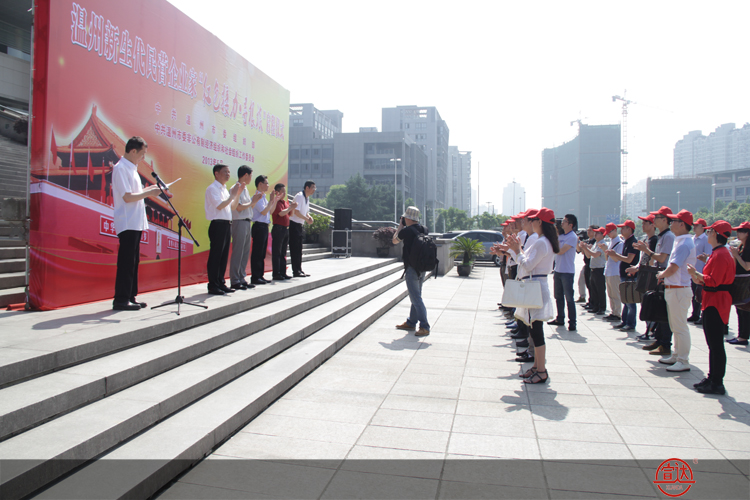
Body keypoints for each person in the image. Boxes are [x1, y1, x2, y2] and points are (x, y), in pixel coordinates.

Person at [499, 207, 559, 384]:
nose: (529, 222)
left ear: (540, 222)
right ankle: (536, 367)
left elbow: (528, 265)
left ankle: (541, 370)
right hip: (536, 286)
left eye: (532, 220)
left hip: (536, 287)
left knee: (537, 331)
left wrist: (517, 251)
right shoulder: (543, 241)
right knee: (534, 329)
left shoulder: (542, 242)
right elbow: (525, 261)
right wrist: (515, 250)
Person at [111, 136, 162, 310]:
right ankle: (121, 299)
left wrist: (148, 190)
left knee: (133, 262)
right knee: (126, 262)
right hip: (127, 221)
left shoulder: (132, 168)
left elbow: (135, 193)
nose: (143, 158)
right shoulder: (121, 168)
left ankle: (131, 296)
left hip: (136, 221)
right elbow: (127, 197)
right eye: (142, 153)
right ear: (133, 151)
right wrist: (148, 193)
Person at [687, 220, 734, 395]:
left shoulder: (721, 254)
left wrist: (695, 274)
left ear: (715, 234)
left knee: (715, 344)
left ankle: (717, 382)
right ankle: (712, 377)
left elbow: (714, 281)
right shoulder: (718, 253)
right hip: (712, 301)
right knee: (712, 344)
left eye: (709, 231)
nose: (707, 234)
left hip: (717, 302)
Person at [656, 209, 697, 372]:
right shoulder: (681, 241)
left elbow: (672, 268)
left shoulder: (684, 243)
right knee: (675, 325)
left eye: (674, 221)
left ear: (682, 224)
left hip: (679, 289)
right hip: (675, 289)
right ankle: (677, 355)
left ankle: (683, 359)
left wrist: (661, 274)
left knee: (680, 326)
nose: (671, 223)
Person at [635, 206, 675, 356]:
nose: (654, 220)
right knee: (658, 309)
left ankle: (665, 344)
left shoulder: (668, 237)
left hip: (665, 277)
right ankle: (659, 340)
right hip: (659, 276)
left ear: (665, 220)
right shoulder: (662, 236)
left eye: (656, 218)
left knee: (663, 312)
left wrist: (647, 251)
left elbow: (662, 258)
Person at [205, 164, 246, 295]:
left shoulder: (224, 189)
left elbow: (232, 207)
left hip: (227, 224)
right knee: (216, 256)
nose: (228, 174)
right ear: (216, 173)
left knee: (223, 256)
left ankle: (221, 282)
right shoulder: (212, 189)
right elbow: (220, 206)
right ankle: (213, 285)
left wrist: (237, 195)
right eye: (225, 172)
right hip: (217, 225)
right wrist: (231, 196)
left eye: (229, 172)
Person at [393, 206, 430, 336]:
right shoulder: (424, 229)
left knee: (416, 298)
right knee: (417, 295)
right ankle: (411, 322)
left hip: (412, 268)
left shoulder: (406, 231)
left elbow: (394, 241)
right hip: (422, 267)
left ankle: (425, 326)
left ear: (407, 218)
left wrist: (400, 226)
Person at [229, 165, 263, 290]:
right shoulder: (235, 188)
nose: (250, 178)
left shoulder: (246, 189)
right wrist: (252, 201)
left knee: (245, 252)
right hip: (239, 221)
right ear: (246, 175)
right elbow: (238, 207)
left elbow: (248, 206)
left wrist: (253, 202)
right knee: (238, 251)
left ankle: (242, 277)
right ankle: (234, 279)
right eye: (250, 175)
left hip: (247, 221)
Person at [628, 214, 658, 341]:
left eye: (646, 222)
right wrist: (637, 267)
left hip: (652, 277)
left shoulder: (655, 240)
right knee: (645, 304)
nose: (643, 225)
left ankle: (652, 332)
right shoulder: (646, 240)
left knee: (651, 305)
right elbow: (644, 260)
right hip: (644, 275)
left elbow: (654, 259)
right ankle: (648, 330)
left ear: (653, 225)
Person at [606, 220, 640, 332]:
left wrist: (616, 255)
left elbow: (630, 259)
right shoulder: (626, 241)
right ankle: (625, 322)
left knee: (630, 301)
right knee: (625, 300)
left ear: (630, 229)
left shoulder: (632, 242)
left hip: (630, 275)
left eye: (624, 228)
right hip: (624, 275)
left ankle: (630, 324)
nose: (621, 230)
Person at [549, 214, 579, 331]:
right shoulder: (561, 235)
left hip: (567, 272)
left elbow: (560, 251)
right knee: (558, 296)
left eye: (565, 221)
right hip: (558, 270)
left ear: (570, 225)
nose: (562, 223)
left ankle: (572, 322)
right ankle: (560, 318)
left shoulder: (572, 237)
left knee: (569, 298)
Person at [250, 175, 281, 285]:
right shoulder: (257, 196)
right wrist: (270, 201)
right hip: (258, 226)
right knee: (257, 253)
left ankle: (260, 275)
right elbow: (263, 212)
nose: (268, 185)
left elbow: (270, 211)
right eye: (266, 183)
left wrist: (274, 201)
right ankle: (255, 276)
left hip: (264, 226)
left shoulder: (263, 197)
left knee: (262, 253)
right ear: (260, 184)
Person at [728, 221, 750, 346]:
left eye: (741, 231)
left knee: (745, 309)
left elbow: (747, 267)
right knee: (740, 309)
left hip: (745, 281)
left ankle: (743, 336)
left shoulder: (748, 248)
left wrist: (736, 255)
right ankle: (741, 335)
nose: (738, 233)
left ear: (747, 233)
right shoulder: (742, 246)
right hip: (740, 280)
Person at [271, 183, 298, 280]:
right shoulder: (276, 202)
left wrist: (292, 207)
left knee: (283, 253)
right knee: (277, 252)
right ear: (277, 192)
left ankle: (283, 272)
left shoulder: (285, 202)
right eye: (283, 192)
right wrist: (290, 208)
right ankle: (276, 273)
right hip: (278, 228)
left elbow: (290, 214)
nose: (284, 194)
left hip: (285, 228)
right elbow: (281, 213)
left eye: (285, 192)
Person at [289, 181, 316, 277]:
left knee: (299, 249)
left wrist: (309, 217)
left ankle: (299, 269)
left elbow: (305, 212)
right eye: (312, 187)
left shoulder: (306, 197)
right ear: (307, 188)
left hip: (300, 225)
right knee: (295, 249)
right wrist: (306, 219)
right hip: (294, 224)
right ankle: (295, 271)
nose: (314, 190)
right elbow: (296, 212)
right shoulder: (300, 196)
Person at [689, 218, 712, 324]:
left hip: (701, 272)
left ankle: (702, 316)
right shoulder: (692, 239)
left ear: (703, 227)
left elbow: (707, 257)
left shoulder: (706, 240)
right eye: (693, 225)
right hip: (692, 271)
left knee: (701, 295)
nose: (694, 227)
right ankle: (695, 314)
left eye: (697, 225)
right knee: (694, 294)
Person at [580, 227, 607, 316]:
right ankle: (595, 306)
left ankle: (601, 307)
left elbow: (595, 255)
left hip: (599, 269)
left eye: (598, 233)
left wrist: (586, 249)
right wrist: (584, 248)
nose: (595, 234)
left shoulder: (602, 244)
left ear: (603, 234)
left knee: (600, 289)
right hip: (593, 268)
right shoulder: (596, 243)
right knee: (594, 289)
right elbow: (588, 256)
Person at [602, 222, 623, 323]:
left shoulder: (620, 243)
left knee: (616, 294)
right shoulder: (611, 242)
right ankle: (613, 311)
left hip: (615, 271)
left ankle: (617, 313)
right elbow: (607, 258)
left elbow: (616, 259)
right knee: (610, 294)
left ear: (615, 230)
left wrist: (608, 251)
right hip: (609, 271)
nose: (608, 234)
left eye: (609, 232)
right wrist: (605, 250)